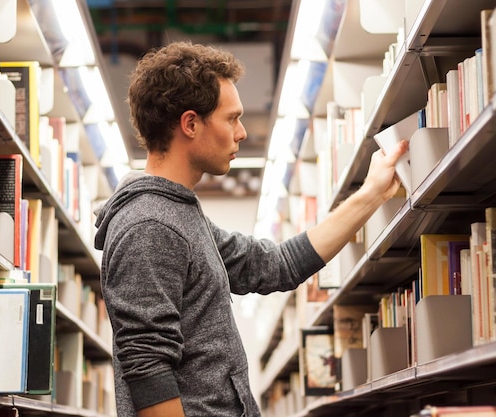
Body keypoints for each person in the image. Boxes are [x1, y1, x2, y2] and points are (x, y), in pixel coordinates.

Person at [93, 41, 407, 417]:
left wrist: (370, 195)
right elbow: (147, 365)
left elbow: (277, 265)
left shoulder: (180, 215)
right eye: (232, 118)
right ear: (190, 124)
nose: (242, 132)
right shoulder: (150, 225)